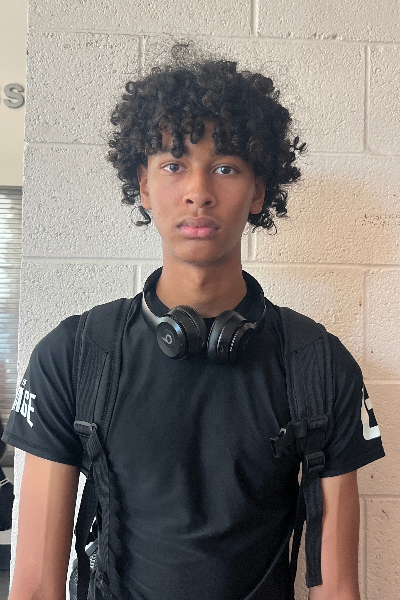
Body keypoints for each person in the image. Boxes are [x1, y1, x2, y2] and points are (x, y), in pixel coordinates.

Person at [2, 46, 384, 600]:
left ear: (258, 191)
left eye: (225, 167)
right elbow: (36, 586)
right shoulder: (75, 356)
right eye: (174, 164)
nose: (199, 191)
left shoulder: (318, 365)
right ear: (144, 185)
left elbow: (338, 589)